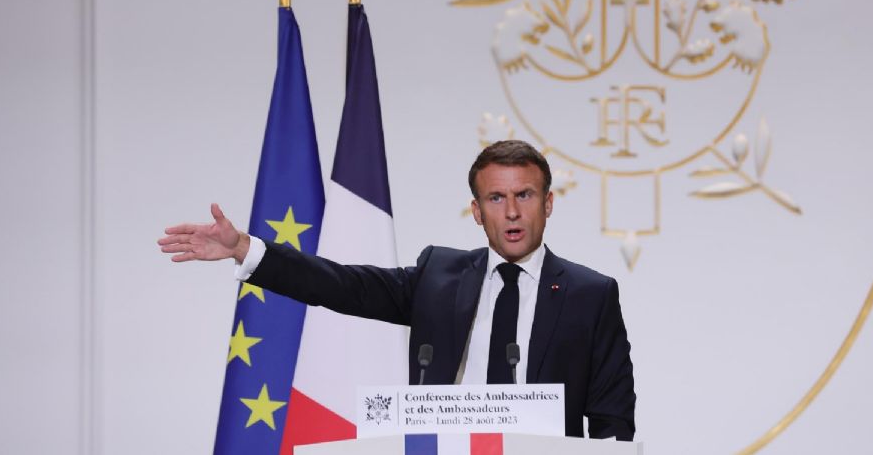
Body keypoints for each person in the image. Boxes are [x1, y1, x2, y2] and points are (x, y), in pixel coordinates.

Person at [159, 140, 635, 440]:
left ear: (548, 203)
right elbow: (343, 285)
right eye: (496, 198)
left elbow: (612, 419)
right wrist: (246, 248)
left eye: (524, 196)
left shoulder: (590, 295)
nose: (511, 212)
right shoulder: (439, 276)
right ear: (476, 210)